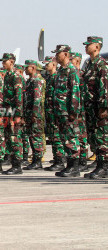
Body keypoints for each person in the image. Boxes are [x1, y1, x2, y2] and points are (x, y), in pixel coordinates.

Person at [52, 45, 81, 177]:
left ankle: (74, 167)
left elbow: (75, 91)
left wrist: (73, 111)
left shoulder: (71, 70)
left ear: (65, 54)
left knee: (71, 137)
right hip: (60, 111)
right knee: (65, 138)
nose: (56, 56)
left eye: (58, 54)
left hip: (68, 111)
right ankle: (69, 165)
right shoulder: (60, 71)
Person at [82, 36, 108, 179]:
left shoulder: (101, 64)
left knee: (102, 137)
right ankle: (100, 165)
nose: (86, 47)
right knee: (94, 137)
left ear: (97, 47)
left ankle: (104, 166)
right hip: (91, 108)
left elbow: (105, 87)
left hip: (99, 109)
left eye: (89, 45)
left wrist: (104, 107)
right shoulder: (91, 65)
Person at [0, 53, 24, 175]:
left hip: (14, 112)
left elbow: (18, 96)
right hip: (8, 112)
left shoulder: (16, 76)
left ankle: (17, 165)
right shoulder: (7, 76)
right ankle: (13, 163)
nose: (3, 63)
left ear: (12, 62)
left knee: (15, 138)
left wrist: (18, 114)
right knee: (10, 138)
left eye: (5, 61)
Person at [22, 60, 45, 170]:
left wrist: (35, 114)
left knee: (36, 137)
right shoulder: (29, 81)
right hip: (29, 113)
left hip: (34, 114)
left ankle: (38, 160)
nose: (25, 70)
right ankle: (35, 160)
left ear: (33, 68)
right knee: (32, 136)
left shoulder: (36, 81)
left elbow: (37, 99)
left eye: (27, 68)